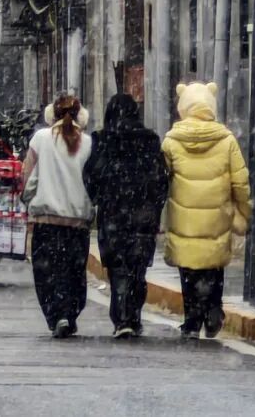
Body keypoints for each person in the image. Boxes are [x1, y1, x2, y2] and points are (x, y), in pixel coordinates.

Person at [162, 81, 251, 339]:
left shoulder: (171, 141)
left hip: (184, 219)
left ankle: (191, 320)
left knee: (188, 270)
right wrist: (243, 212)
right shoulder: (227, 140)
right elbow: (240, 182)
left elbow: (161, 179)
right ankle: (213, 311)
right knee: (213, 266)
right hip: (217, 218)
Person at [84, 93, 169, 338]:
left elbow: (92, 175)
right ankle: (133, 315)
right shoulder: (150, 140)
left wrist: (98, 198)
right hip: (143, 216)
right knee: (138, 267)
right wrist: (154, 207)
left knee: (118, 267)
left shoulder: (102, 139)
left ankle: (121, 317)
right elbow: (160, 178)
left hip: (113, 215)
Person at [22, 94, 93, 339]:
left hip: (46, 221)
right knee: (74, 272)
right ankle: (69, 313)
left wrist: (26, 199)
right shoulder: (88, 143)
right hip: (77, 221)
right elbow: (91, 182)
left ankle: (56, 315)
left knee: (47, 273)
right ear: (81, 116)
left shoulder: (40, 139)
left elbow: (28, 177)